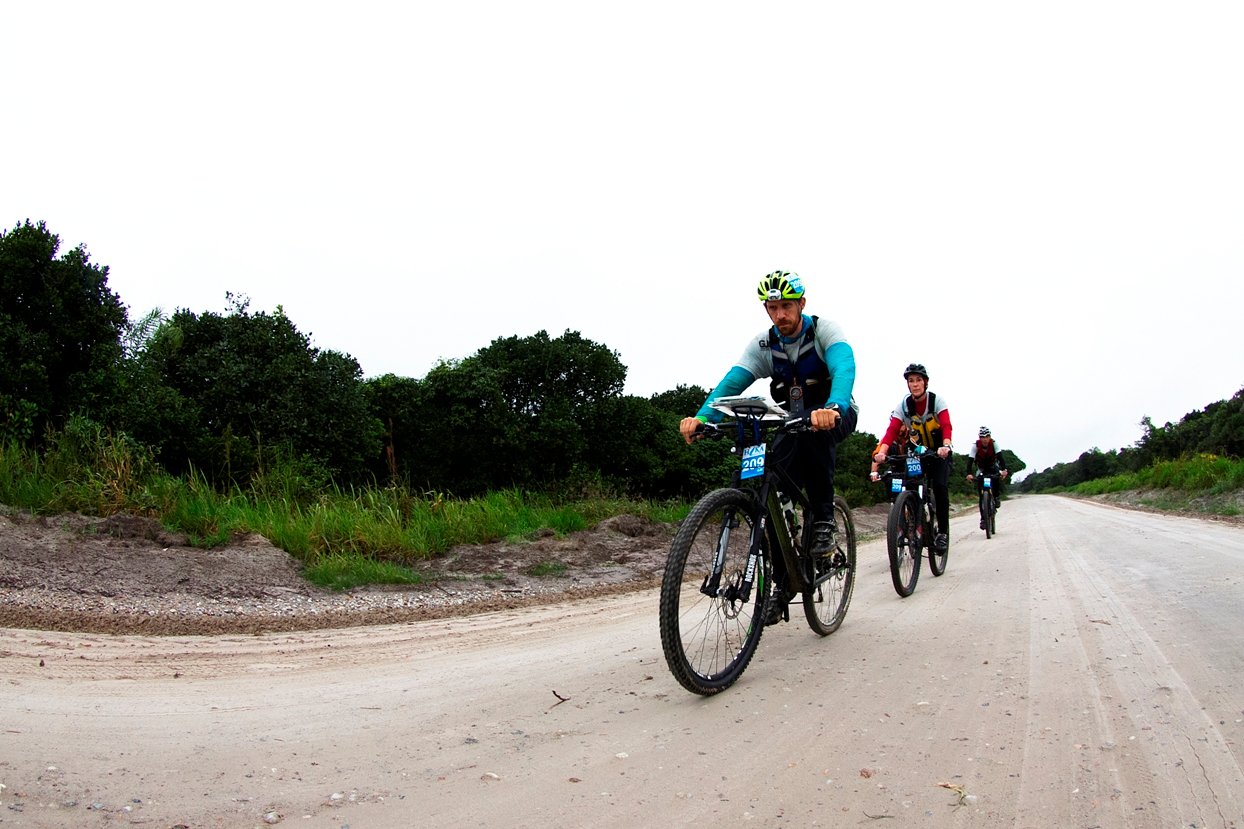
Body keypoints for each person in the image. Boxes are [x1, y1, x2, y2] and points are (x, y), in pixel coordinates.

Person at [680, 270, 858, 625]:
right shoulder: (764, 344)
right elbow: (732, 382)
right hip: (789, 421)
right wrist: (702, 416)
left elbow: (844, 367)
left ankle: (823, 519)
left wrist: (834, 406)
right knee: (770, 489)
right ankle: (783, 580)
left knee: (817, 436)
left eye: (786, 307)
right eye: (772, 308)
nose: (780, 315)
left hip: (833, 414)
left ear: (802, 304)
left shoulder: (824, 331)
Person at [872, 363, 954, 554]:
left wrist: (946, 445)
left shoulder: (936, 401)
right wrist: (881, 452)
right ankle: (912, 516)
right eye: (911, 381)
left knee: (940, 488)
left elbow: (947, 425)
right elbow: (892, 430)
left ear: (925, 383)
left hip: (939, 452)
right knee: (908, 482)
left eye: (918, 380)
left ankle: (942, 533)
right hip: (918, 452)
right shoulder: (903, 406)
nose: (915, 384)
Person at [965, 426, 1009, 527]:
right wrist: (969, 473)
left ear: (990, 437)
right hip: (982, 469)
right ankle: (983, 519)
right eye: (982, 437)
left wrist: (1004, 470)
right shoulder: (975, 446)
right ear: (979, 438)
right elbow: (970, 461)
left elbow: (1000, 458)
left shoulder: (994, 444)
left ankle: (996, 497)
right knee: (981, 496)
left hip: (993, 467)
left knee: (996, 478)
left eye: (987, 436)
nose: (985, 439)